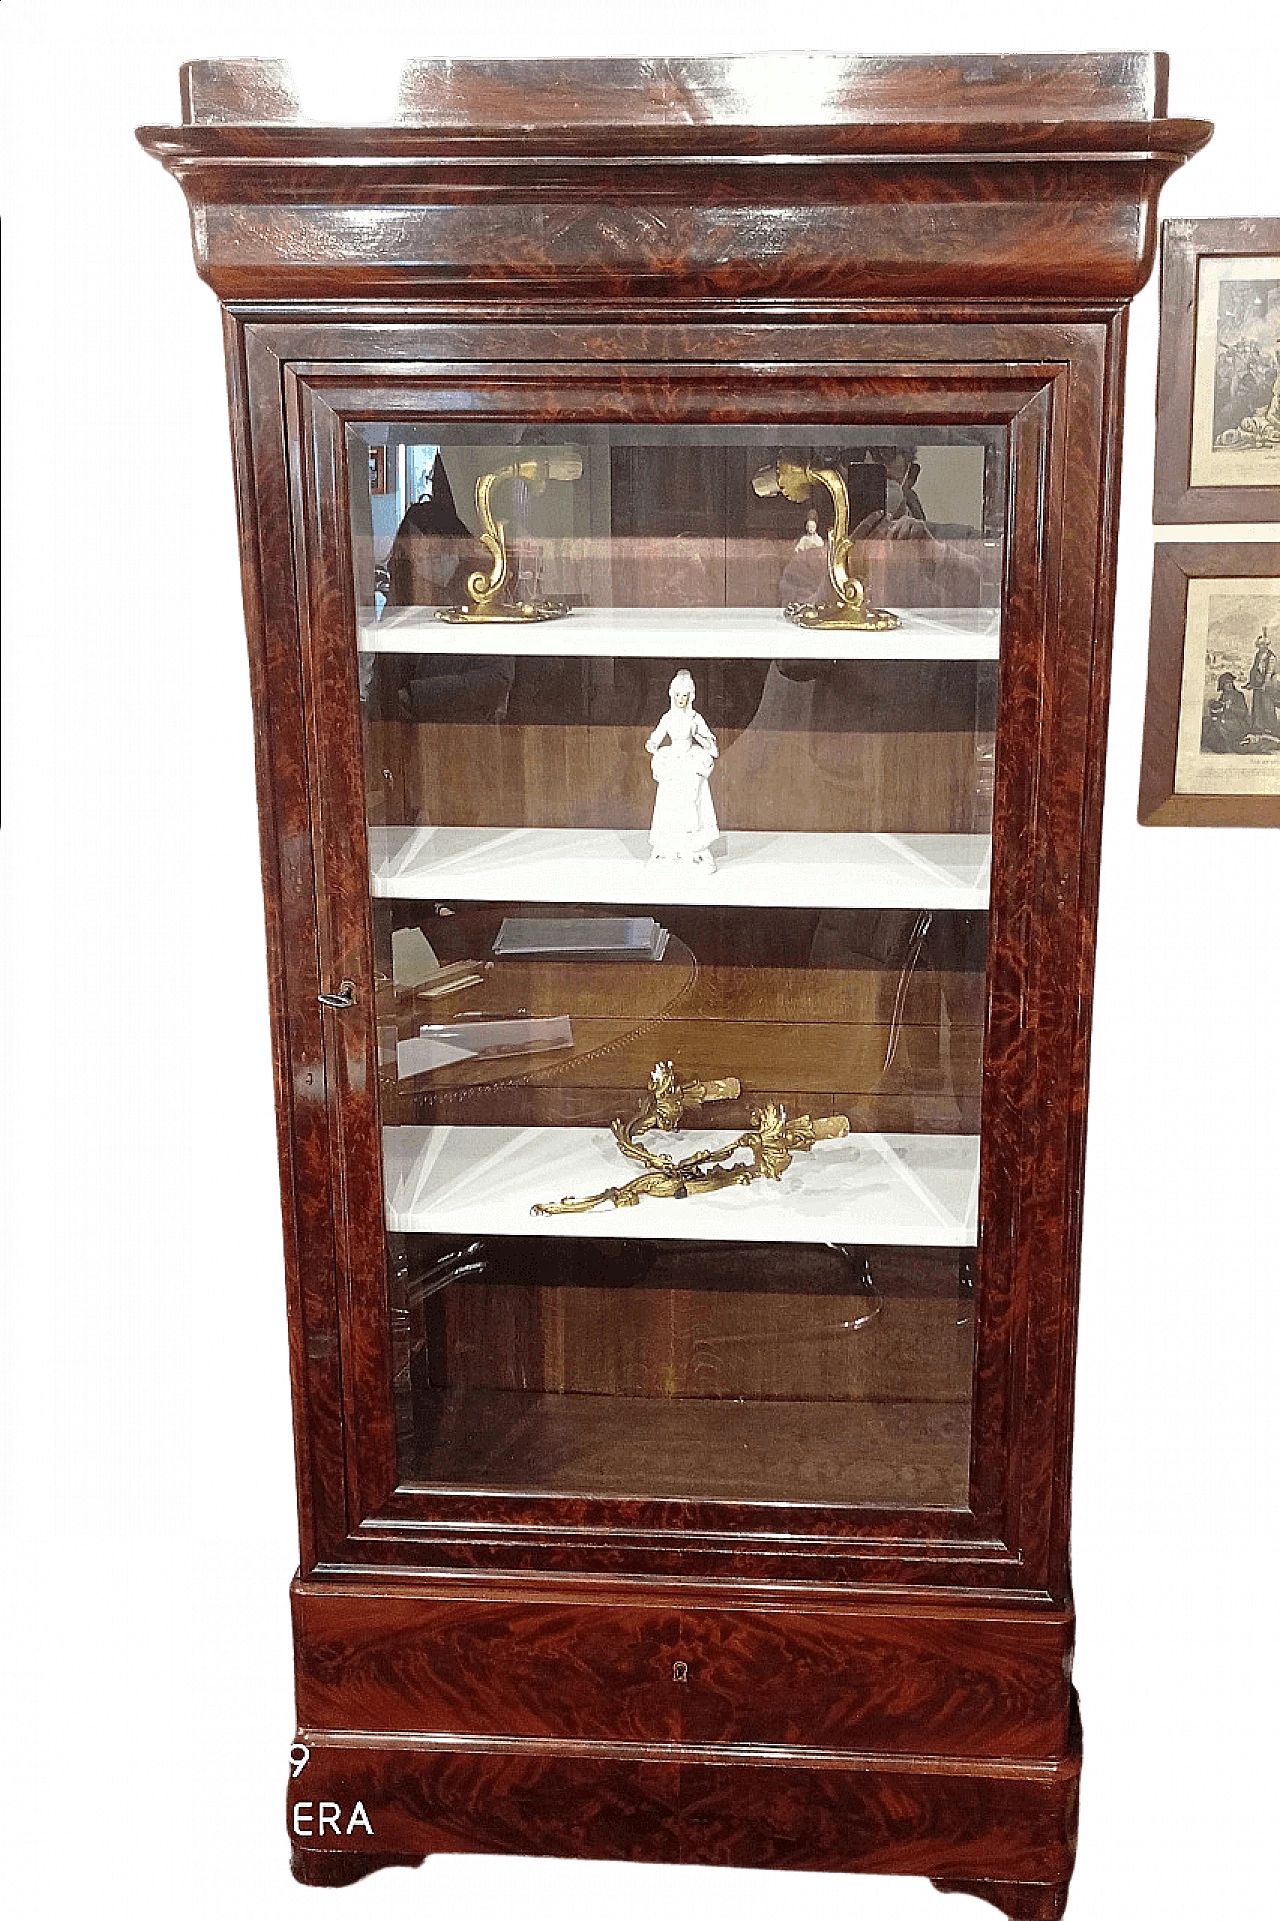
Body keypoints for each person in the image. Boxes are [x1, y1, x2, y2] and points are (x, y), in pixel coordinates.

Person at [645, 670, 720, 869]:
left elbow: (709, 740)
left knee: (691, 798)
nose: (680, 699)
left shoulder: (695, 718)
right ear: (672, 695)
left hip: (689, 759)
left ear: (690, 696)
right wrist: (653, 745)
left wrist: (702, 738)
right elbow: (656, 737)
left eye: (684, 695)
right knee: (669, 798)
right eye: (677, 695)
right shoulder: (668, 718)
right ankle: (670, 845)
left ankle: (692, 844)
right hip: (672, 759)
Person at [1202, 671, 1251, 753]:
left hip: (1238, 723)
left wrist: (1230, 708)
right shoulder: (1223, 695)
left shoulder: (1239, 695)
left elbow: (1243, 712)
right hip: (1225, 720)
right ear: (1222, 685)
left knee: (1220, 726)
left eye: (1230, 682)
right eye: (1226, 683)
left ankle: (1226, 747)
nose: (1229, 685)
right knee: (1208, 722)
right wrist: (1216, 709)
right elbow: (1221, 709)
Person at [1245, 628, 1279, 738]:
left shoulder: (1271, 657)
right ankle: (1258, 727)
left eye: (1262, 645)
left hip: (1268, 684)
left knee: (1267, 705)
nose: (1260, 647)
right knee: (1257, 704)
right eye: (1259, 645)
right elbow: (1254, 668)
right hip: (1257, 683)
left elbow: (1269, 672)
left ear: (1266, 645)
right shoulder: (1258, 655)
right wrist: (1251, 682)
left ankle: (1272, 728)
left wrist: (1265, 684)